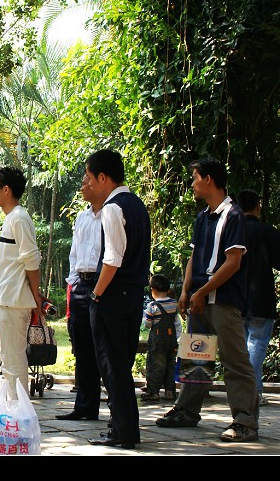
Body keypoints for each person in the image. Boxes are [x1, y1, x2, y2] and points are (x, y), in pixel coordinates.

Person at [155, 157, 259, 443]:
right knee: (196, 356)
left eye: (195, 178)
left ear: (209, 179)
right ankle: (187, 410)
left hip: (223, 300)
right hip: (198, 301)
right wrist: (186, 291)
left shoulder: (234, 215)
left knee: (234, 361)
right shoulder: (203, 217)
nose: (192, 184)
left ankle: (245, 421)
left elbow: (233, 262)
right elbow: (194, 256)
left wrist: (202, 292)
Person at [84, 148, 151, 450]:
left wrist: (96, 294)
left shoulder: (113, 208)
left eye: (89, 177)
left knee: (112, 365)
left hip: (112, 295)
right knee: (121, 364)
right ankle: (125, 428)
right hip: (134, 295)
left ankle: (122, 430)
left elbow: (112, 259)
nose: (88, 183)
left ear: (103, 177)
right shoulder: (137, 205)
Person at [0, 166, 46, 400]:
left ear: (6, 190)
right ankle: (14, 408)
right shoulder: (11, 218)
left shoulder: (19, 218)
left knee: (13, 361)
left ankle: (18, 410)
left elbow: (31, 259)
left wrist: (36, 295)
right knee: (10, 360)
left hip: (14, 300)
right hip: (8, 298)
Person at [56, 173, 103, 421]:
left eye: (86, 182)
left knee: (103, 348)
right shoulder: (82, 217)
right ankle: (85, 406)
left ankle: (117, 409)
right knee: (82, 348)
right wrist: (73, 283)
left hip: (102, 283)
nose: (82, 187)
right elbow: (75, 253)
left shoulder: (111, 214)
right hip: (80, 285)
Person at [237, 189, 280, 408]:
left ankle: (243, 391)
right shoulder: (267, 231)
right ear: (258, 207)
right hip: (261, 298)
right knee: (257, 344)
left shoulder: (232, 230)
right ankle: (253, 391)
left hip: (236, 297)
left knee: (242, 347)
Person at [141, 274, 179, 402]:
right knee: (170, 365)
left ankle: (153, 391)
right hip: (172, 340)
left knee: (156, 365)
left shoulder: (152, 306)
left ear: (153, 290)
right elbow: (177, 323)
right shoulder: (174, 304)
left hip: (158, 341)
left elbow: (147, 324)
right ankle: (170, 391)